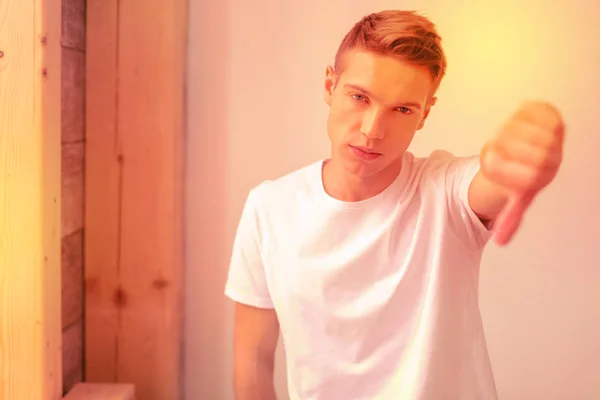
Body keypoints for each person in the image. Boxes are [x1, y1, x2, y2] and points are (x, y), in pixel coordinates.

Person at [224, 9, 564, 400]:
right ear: (329, 85)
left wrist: (529, 145)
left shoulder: (445, 193)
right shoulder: (269, 208)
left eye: (402, 109)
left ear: (424, 114)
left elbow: (491, 180)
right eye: (359, 97)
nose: (372, 130)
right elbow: (253, 362)